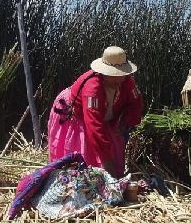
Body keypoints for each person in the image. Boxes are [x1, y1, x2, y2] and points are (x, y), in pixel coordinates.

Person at [48, 46, 144, 178]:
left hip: (105, 115)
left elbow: (136, 103)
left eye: (121, 75)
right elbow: (94, 127)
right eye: (114, 75)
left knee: (115, 142)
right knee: (83, 158)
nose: (118, 79)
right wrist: (108, 166)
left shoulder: (127, 81)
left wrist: (127, 121)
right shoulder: (93, 88)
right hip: (76, 113)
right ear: (103, 73)